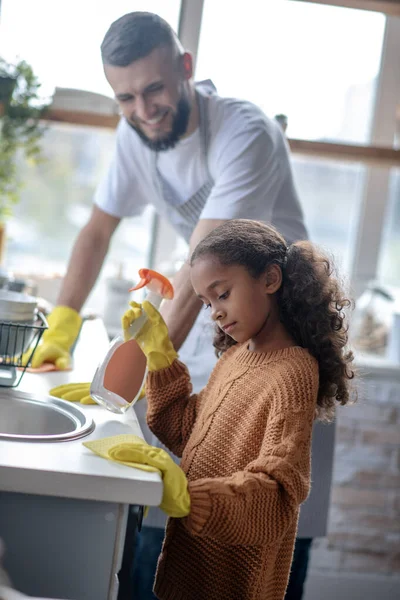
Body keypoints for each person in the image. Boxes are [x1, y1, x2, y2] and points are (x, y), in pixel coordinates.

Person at [30, 11, 333, 599]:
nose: (143, 110)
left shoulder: (244, 132)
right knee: (182, 512)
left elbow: (203, 268)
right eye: (125, 98)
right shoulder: (134, 136)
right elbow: (96, 232)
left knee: (263, 546)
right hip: (229, 346)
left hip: (282, 334)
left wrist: (132, 364)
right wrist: (62, 327)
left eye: (155, 89)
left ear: (185, 68)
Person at [118, 219, 355, 600]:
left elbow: (277, 490)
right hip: (191, 562)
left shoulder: (293, 372)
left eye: (223, 294)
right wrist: (160, 356)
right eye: (206, 302)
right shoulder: (234, 357)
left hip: (234, 582)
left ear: (270, 279)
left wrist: (191, 496)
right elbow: (183, 430)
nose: (214, 311)